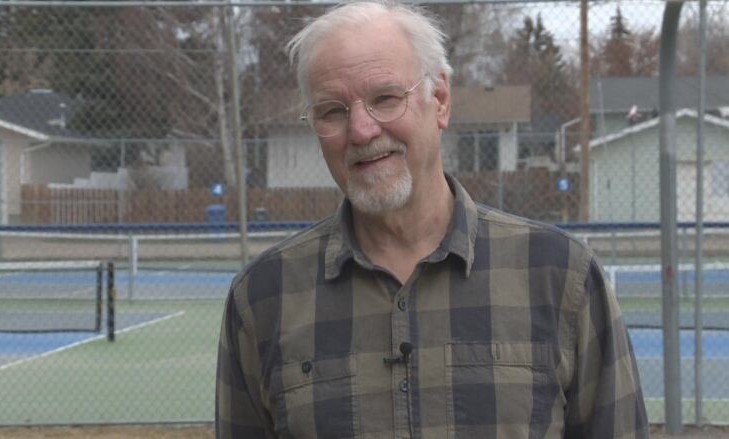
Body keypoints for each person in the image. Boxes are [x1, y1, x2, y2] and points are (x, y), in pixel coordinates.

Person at [215, 1, 648, 437]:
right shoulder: (263, 299)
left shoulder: (561, 278)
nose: (362, 130)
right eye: (333, 111)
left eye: (385, 98)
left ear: (439, 101)